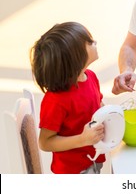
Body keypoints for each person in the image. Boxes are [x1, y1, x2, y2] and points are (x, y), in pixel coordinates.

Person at [30, 22, 105, 174]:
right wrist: (83, 139)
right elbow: (45, 142)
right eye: (89, 42)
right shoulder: (56, 100)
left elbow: (98, 104)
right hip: (72, 172)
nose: (95, 42)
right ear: (75, 57)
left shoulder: (90, 77)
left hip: (95, 160)